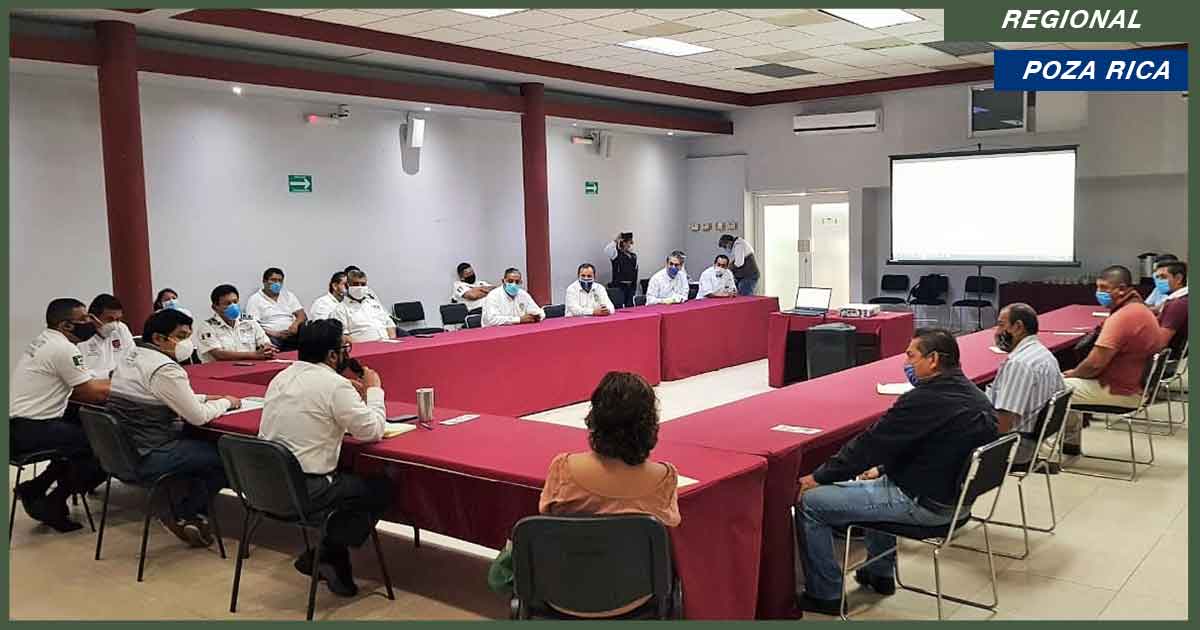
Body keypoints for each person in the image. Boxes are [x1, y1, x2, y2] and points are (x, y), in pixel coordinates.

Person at [793, 328, 998, 615]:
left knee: (810, 503)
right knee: (882, 479)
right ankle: (879, 573)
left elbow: (870, 444)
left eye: (911, 356)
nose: (905, 363)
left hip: (924, 504)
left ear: (933, 360)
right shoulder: (976, 396)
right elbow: (933, 447)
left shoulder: (923, 399)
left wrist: (819, 476)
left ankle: (825, 594)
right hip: (955, 502)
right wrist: (882, 467)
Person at [259, 319, 391, 597]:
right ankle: (329, 552)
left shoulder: (282, 377)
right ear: (332, 355)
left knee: (349, 482)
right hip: (305, 488)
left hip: (265, 486)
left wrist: (344, 391)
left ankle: (330, 556)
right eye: (344, 348)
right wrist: (374, 390)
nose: (347, 354)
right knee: (381, 487)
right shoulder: (334, 386)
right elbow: (372, 430)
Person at [535, 371, 681, 616]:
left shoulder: (563, 468)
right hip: (635, 597)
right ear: (649, 424)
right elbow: (669, 523)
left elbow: (546, 515)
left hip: (563, 593)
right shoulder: (664, 478)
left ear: (595, 419)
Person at [106, 309, 239, 548]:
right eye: (181, 336)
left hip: (123, 449)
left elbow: (159, 393)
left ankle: (183, 505)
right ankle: (185, 513)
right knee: (225, 457)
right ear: (158, 338)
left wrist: (204, 398)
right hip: (150, 451)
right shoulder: (164, 368)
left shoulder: (131, 356)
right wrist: (227, 402)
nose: (187, 343)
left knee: (199, 449)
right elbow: (198, 417)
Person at [10, 298, 111, 532]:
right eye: (84, 319)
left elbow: (83, 382)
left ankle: (36, 487)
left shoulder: (45, 340)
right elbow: (91, 392)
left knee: (79, 431)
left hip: (18, 426)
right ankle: (53, 503)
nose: (91, 323)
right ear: (66, 325)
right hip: (33, 428)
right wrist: (126, 383)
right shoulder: (63, 348)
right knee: (102, 445)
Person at [1061, 265, 1164, 455]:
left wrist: (1073, 373)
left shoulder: (1124, 317)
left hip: (1120, 391)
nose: (1099, 293)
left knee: (1050, 388)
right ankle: (1069, 443)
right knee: (1063, 383)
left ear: (1122, 289)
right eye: (1098, 287)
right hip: (1134, 386)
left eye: (1104, 288)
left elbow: (1094, 365)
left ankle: (1038, 453)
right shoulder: (1139, 309)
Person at [986, 303, 1066, 470]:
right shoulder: (1044, 354)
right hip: (1034, 440)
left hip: (1016, 446)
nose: (997, 332)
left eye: (1001, 325)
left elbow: (1003, 423)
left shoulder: (1019, 364)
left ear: (1018, 327)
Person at [194, 284, 276, 363]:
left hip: (250, 366)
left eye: (235, 302)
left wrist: (267, 347)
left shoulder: (249, 320)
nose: (233, 306)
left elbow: (264, 341)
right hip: (221, 369)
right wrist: (254, 355)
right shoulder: (207, 327)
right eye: (228, 303)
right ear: (215, 307)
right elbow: (219, 354)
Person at [245, 267, 307, 350]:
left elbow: (302, 314)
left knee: (309, 333)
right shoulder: (255, 299)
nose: (277, 283)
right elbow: (252, 325)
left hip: (292, 333)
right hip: (272, 336)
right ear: (264, 281)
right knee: (270, 342)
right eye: (273, 280)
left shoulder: (288, 295)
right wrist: (275, 333)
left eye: (280, 281)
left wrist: (295, 325)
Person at [78, 293, 137, 378]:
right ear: (93, 318)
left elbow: (132, 355)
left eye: (118, 319)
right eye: (109, 319)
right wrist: (109, 374)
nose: (114, 324)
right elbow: (80, 373)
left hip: (122, 381)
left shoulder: (121, 328)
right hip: (94, 383)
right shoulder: (80, 337)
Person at [331, 269, 399, 342]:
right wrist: (361, 346)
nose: (360, 287)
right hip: (362, 346)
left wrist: (392, 341)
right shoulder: (340, 309)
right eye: (355, 284)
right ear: (348, 285)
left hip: (387, 343)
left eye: (363, 284)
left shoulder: (374, 303)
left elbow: (390, 324)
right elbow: (343, 335)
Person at [1153, 260, 1188, 358]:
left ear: (1178, 278)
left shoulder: (1177, 304)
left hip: (1169, 360)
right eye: (1157, 277)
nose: (1159, 281)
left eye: (1163, 277)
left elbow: (1160, 343)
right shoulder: (1182, 298)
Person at [604, 232, 638, 309]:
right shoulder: (616, 254)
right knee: (619, 307)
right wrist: (616, 240)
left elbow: (635, 272)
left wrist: (634, 287)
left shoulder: (633, 256)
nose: (630, 245)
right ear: (623, 243)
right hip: (619, 287)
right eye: (629, 242)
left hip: (631, 288)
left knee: (630, 307)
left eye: (631, 243)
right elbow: (607, 250)